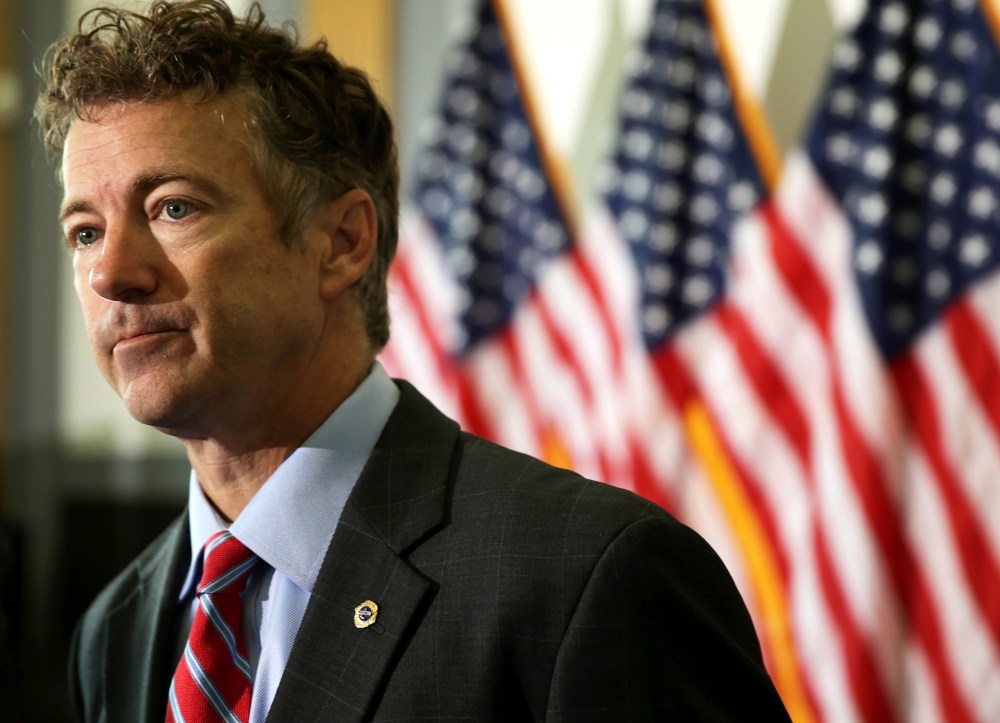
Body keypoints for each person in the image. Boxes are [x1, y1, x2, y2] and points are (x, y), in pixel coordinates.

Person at [36, 1, 791, 721]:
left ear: (341, 243)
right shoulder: (115, 629)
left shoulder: (590, 580)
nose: (110, 273)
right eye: (85, 232)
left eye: (174, 207)